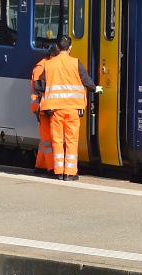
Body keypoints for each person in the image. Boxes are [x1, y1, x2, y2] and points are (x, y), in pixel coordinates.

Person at [35, 35, 102, 181]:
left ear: (58, 48)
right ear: (70, 48)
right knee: (72, 140)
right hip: (73, 109)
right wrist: (96, 88)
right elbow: (87, 81)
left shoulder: (49, 64)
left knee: (57, 140)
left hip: (55, 110)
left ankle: (58, 172)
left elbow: (40, 86)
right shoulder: (76, 63)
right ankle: (70, 173)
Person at [30, 43, 59, 174]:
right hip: (42, 108)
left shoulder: (46, 65)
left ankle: (40, 166)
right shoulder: (41, 67)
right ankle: (51, 168)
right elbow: (39, 88)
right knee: (48, 140)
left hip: (44, 107)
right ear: (52, 55)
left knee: (45, 140)